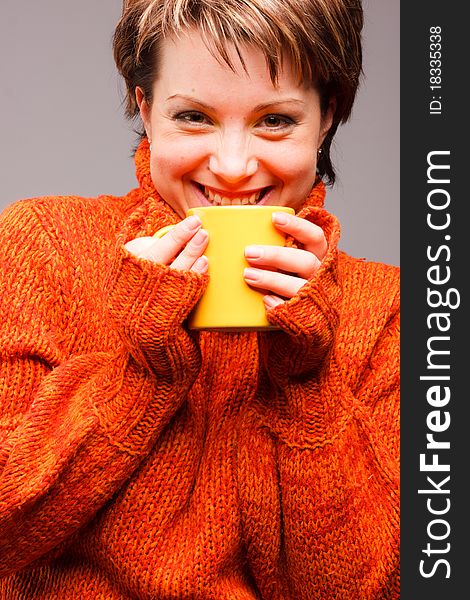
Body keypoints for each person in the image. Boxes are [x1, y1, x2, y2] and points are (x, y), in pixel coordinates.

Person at [0, 0, 399, 598]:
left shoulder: (387, 308)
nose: (234, 167)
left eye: (275, 121)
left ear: (327, 119)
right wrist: (144, 369)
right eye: (193, 116)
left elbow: (369, 590)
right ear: (145, 109)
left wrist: (305, 383)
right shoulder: (43, 246)